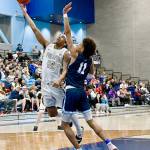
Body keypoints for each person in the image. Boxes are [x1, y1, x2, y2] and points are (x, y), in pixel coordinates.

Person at [19, 4, 84, 141]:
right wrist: (25, 14)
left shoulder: (65, 53)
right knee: (51, 113)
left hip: (56, 85)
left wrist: (60, 79)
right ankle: (72, 122)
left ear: (65, 42)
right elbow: (34, 29)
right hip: (45, 85)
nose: (58, 36)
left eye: (61, 36)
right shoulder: (47, 45)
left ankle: (79, 129)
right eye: (59, 35)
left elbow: (66, 69)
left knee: (67, 110)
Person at [61, 2, 118, 150]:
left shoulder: (74, 54)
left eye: (80, 43)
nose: (77, 44)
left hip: (72, 90)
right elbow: (92, 74)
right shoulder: (90, 60)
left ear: (83, 47)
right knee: (91, 122)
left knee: (65, 124)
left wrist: (65, 14)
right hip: (81, 92)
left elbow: (67, 33)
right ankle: (110, 145)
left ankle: (78, 149)